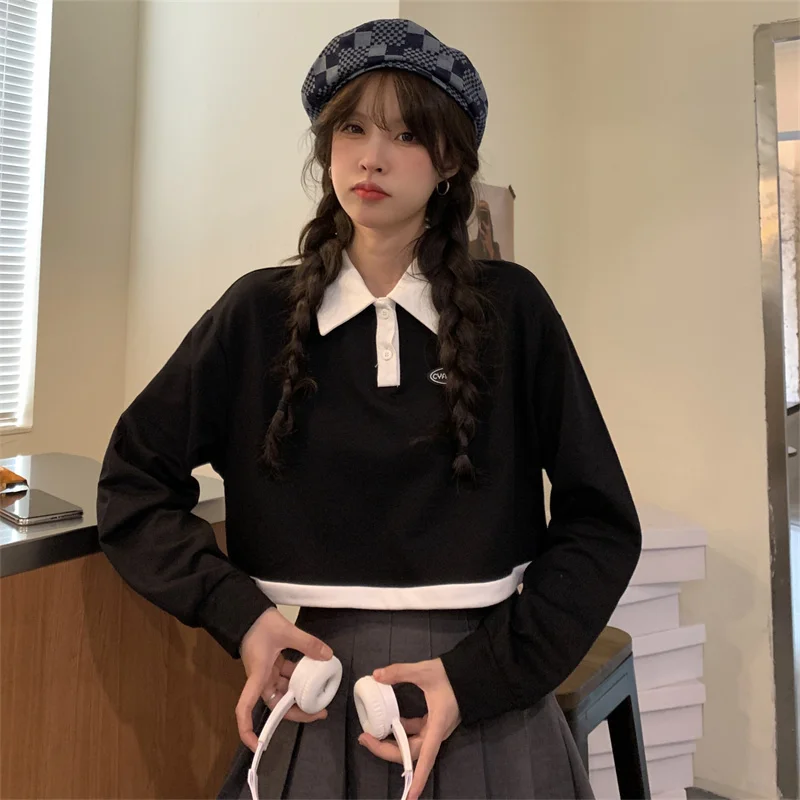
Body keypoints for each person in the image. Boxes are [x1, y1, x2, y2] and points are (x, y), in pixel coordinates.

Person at [95, 17, 642, 800]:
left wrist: (484, 676)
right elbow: (132, 483)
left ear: (448, 160)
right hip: (316, 701)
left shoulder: (511, 312)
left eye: (406, 134)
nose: (371, 156)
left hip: (483, 704)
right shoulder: (256, 315)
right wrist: (241, 617)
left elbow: (601, 524)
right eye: (351, 128)